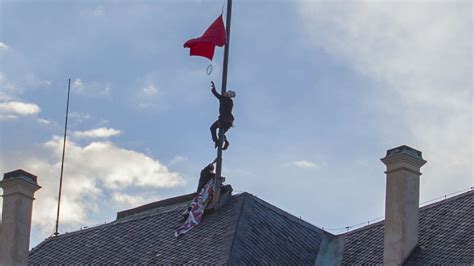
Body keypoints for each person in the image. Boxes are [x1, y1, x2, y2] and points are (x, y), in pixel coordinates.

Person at [210, 81, 236, 150]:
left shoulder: (223, 99)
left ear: (227, 95)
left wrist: (213, 87)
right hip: (229, 121)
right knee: (221, 134)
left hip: (223, 120)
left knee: (212, 128)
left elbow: (216, 94)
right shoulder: (230, 102)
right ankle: (225, 141)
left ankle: (216, 141)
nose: (224, 93)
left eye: (226, 93)